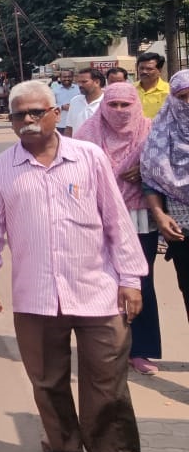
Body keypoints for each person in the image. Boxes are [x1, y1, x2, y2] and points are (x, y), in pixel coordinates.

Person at [0, 81, 164, 452]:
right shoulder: (3, 169)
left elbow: (117, 221)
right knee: (48, 382)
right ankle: (63, 451)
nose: (28, 121)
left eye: (36, 112)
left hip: (98, 292)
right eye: (19, 115)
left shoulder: (88, 158)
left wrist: (131, 279)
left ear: (55, 113)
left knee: (108, 383)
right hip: (36, 297)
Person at [75, 83, 160, 374]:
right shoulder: (87, 134)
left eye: (126, 105)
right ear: (104, 105)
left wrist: (146, 171)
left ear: (135, 105)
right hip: (97, 216)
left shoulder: (150, 130)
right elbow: (74, 173)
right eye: (114, 105)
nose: (120, 111)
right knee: (103, 281)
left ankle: (141, 349)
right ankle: (109, 346)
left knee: (141, 281)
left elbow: (166, 167)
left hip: (140, 215)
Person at [140, 69, 189, 324]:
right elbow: (151, 179)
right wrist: (159, 215)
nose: (188, 103)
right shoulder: (161, 132)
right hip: (182, 229)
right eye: (182, 97)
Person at [65, 67, 105, 136]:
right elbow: (69, 128)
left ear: (97, 82)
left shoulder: (107, 102)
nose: (80, 85)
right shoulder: (75, 101)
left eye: (84, 82)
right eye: (79, 82)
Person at [135, 52, 169, 119]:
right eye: (141, 68)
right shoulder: (130, 89)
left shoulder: (169, 91)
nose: (144, 72)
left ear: (159, 70)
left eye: (149, 69)